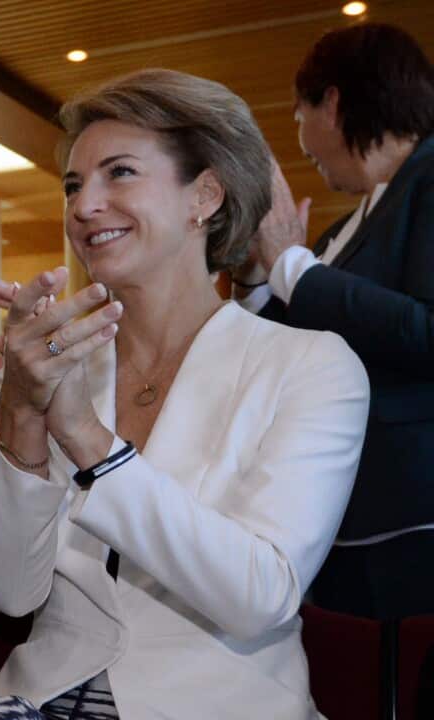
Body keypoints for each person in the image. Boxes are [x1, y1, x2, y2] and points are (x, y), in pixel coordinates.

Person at [0, 70, 369, 719]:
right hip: (42, 697)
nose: (83, 207)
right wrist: (21, 414)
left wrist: (87, 437)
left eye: (120, 173)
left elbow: (258, 597)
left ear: (206, 196)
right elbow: (10, 593)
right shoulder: (37, 369)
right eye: (75, 185)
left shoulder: (310, 366)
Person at [232, 22, 434, 621]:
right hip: (337, 507)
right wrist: (256, 274)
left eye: (298, 117)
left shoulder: (428, 177)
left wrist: (293, 263)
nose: (300, 143)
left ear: (334, 102)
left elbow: (426, 331)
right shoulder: (341, 229)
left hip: (411, 510)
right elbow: (295, 340)